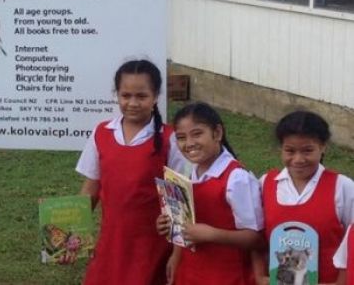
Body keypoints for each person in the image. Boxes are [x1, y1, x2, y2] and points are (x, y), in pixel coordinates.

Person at [75, 59, 188, 285]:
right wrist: (68, 234)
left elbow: (179, 204)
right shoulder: (102, 133)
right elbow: (91, 189)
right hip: (111, 243)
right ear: (116, 94)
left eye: (141, 96)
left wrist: (177, 256)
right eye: (125, 96)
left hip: (152, 247)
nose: (133, 103)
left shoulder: (169, 139)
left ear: (155, 96)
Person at [159, 102, 263, 285]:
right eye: (181, 137)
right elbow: (183, 223)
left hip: (227, 276)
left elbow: (256, 238)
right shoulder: (187, 171)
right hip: (191, 271)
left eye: (197, 134)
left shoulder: (237, 178)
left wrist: (212, 234)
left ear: (217, 133)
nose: (189, 143)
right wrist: (168, 225)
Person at [257, 110, 354, 285]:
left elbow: (352, 244)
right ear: (281, 148)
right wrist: (260, 276)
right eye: (290, 151)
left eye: (307, 150)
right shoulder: (266, 184)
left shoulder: (342, 187)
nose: (298, 159)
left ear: (323, 146)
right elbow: (256, 237)